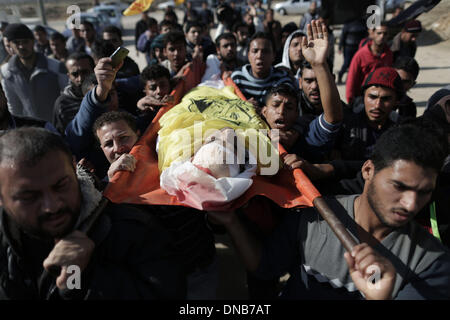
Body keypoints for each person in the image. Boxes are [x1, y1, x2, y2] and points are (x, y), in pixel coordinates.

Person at [209, 121, 450, 300]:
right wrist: (232, 222)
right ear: (368, 171)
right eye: (399, 186)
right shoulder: (313, 217)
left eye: (424, 192)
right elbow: (264, 266)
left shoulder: (430, 262)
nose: (411, 203)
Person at [0, 127, 186, 299]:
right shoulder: (6, 242)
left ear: (74, 167)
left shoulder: (134, 231)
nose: (52, 206)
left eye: (61, 185)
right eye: (29, 196)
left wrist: (81, 279)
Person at [92, 111, 219, 299]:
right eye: (108, 144)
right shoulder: (103, 193)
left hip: (197, 269)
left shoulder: (170, 158)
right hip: (154, 283)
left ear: (139, 135)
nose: (118, 148)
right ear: (101, 149)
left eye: (124, 138)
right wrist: (113, 189)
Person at [0, 24, 68, 123]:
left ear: (33, 42)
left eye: (25, 42)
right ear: (10, 45)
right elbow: (13, 106)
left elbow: (66, 98)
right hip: (29, 130)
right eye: (16, 43)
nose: (22, 46)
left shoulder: (55, 66)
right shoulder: (7, 72)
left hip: (56, 126)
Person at [335, 67, 403, 161]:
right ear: (363, 97)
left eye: (385, 99)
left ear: (396, 102)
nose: (377, 105)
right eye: (372, 97)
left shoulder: (401, 130)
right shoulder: (346, 123)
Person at [230, 32, 297, 112]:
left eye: (265, 52)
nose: (259, 56)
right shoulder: (237, 78)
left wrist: (263, 110)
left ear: (273, 56)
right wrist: (243, 106)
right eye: (255, 51)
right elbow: (229, 106)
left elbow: (287, 108)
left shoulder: (282, 78)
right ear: (248, 55)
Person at [346, 22, 393, 104]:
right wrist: (350, 100)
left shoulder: (389, 54)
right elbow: (351, 78)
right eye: (379, 33)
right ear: (372, 34)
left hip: (382, 98)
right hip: (363, 98)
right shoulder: (361, 55)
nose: (382, 36)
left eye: (385, 34)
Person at [53, 53, 95, 135]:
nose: (80, 78)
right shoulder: (62, 103)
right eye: (75, 74)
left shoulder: (108, 94)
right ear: (69, 76)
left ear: (93, 71)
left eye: (85, 72)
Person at [337, 18, 368, 84]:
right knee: (346, 63)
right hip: (348, 47)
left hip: (358, 47)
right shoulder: (348, 25)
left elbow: (366, 36)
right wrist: (340, 47)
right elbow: (343, 37)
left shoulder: (363, 24)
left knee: (357, 65)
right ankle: (340, 76)